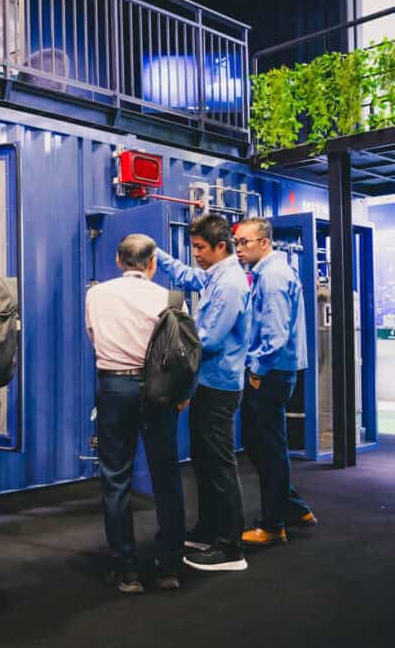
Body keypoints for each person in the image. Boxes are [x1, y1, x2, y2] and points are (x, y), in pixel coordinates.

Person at [85, 234, 187, 594]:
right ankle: (168, 567)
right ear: (153, 264)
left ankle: (125, 569)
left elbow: (93, 335)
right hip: (160, 391)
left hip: (114, 387)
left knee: (115, 477)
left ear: (118, 260)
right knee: (166, 476)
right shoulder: (170, 299)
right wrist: (181, 394)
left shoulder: (96, 294)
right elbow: (184, 351)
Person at [155, 215, 251, 572]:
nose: (195, 253)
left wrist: (171, 341)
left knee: (219, 465)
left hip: (219, 386)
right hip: (208, 384)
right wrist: (157, 254)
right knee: (205, 461)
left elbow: (208, 340)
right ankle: (210, 530)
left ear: (220, 247)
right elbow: (188, 276)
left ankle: (230, 548)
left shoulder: (229, 284)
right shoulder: (216, 275)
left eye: (199, 248)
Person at [233, 218, 317, 546]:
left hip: (270, 373)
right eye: (237, 243)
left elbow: (276, 335)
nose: (239, 249)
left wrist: (256, 371)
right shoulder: (270, 273)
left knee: (268, 448)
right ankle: (294, 507)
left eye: (245, 243)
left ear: (264, 243)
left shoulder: (272, 277)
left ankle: (272, 525)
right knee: (260, 444)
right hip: (275, 371)